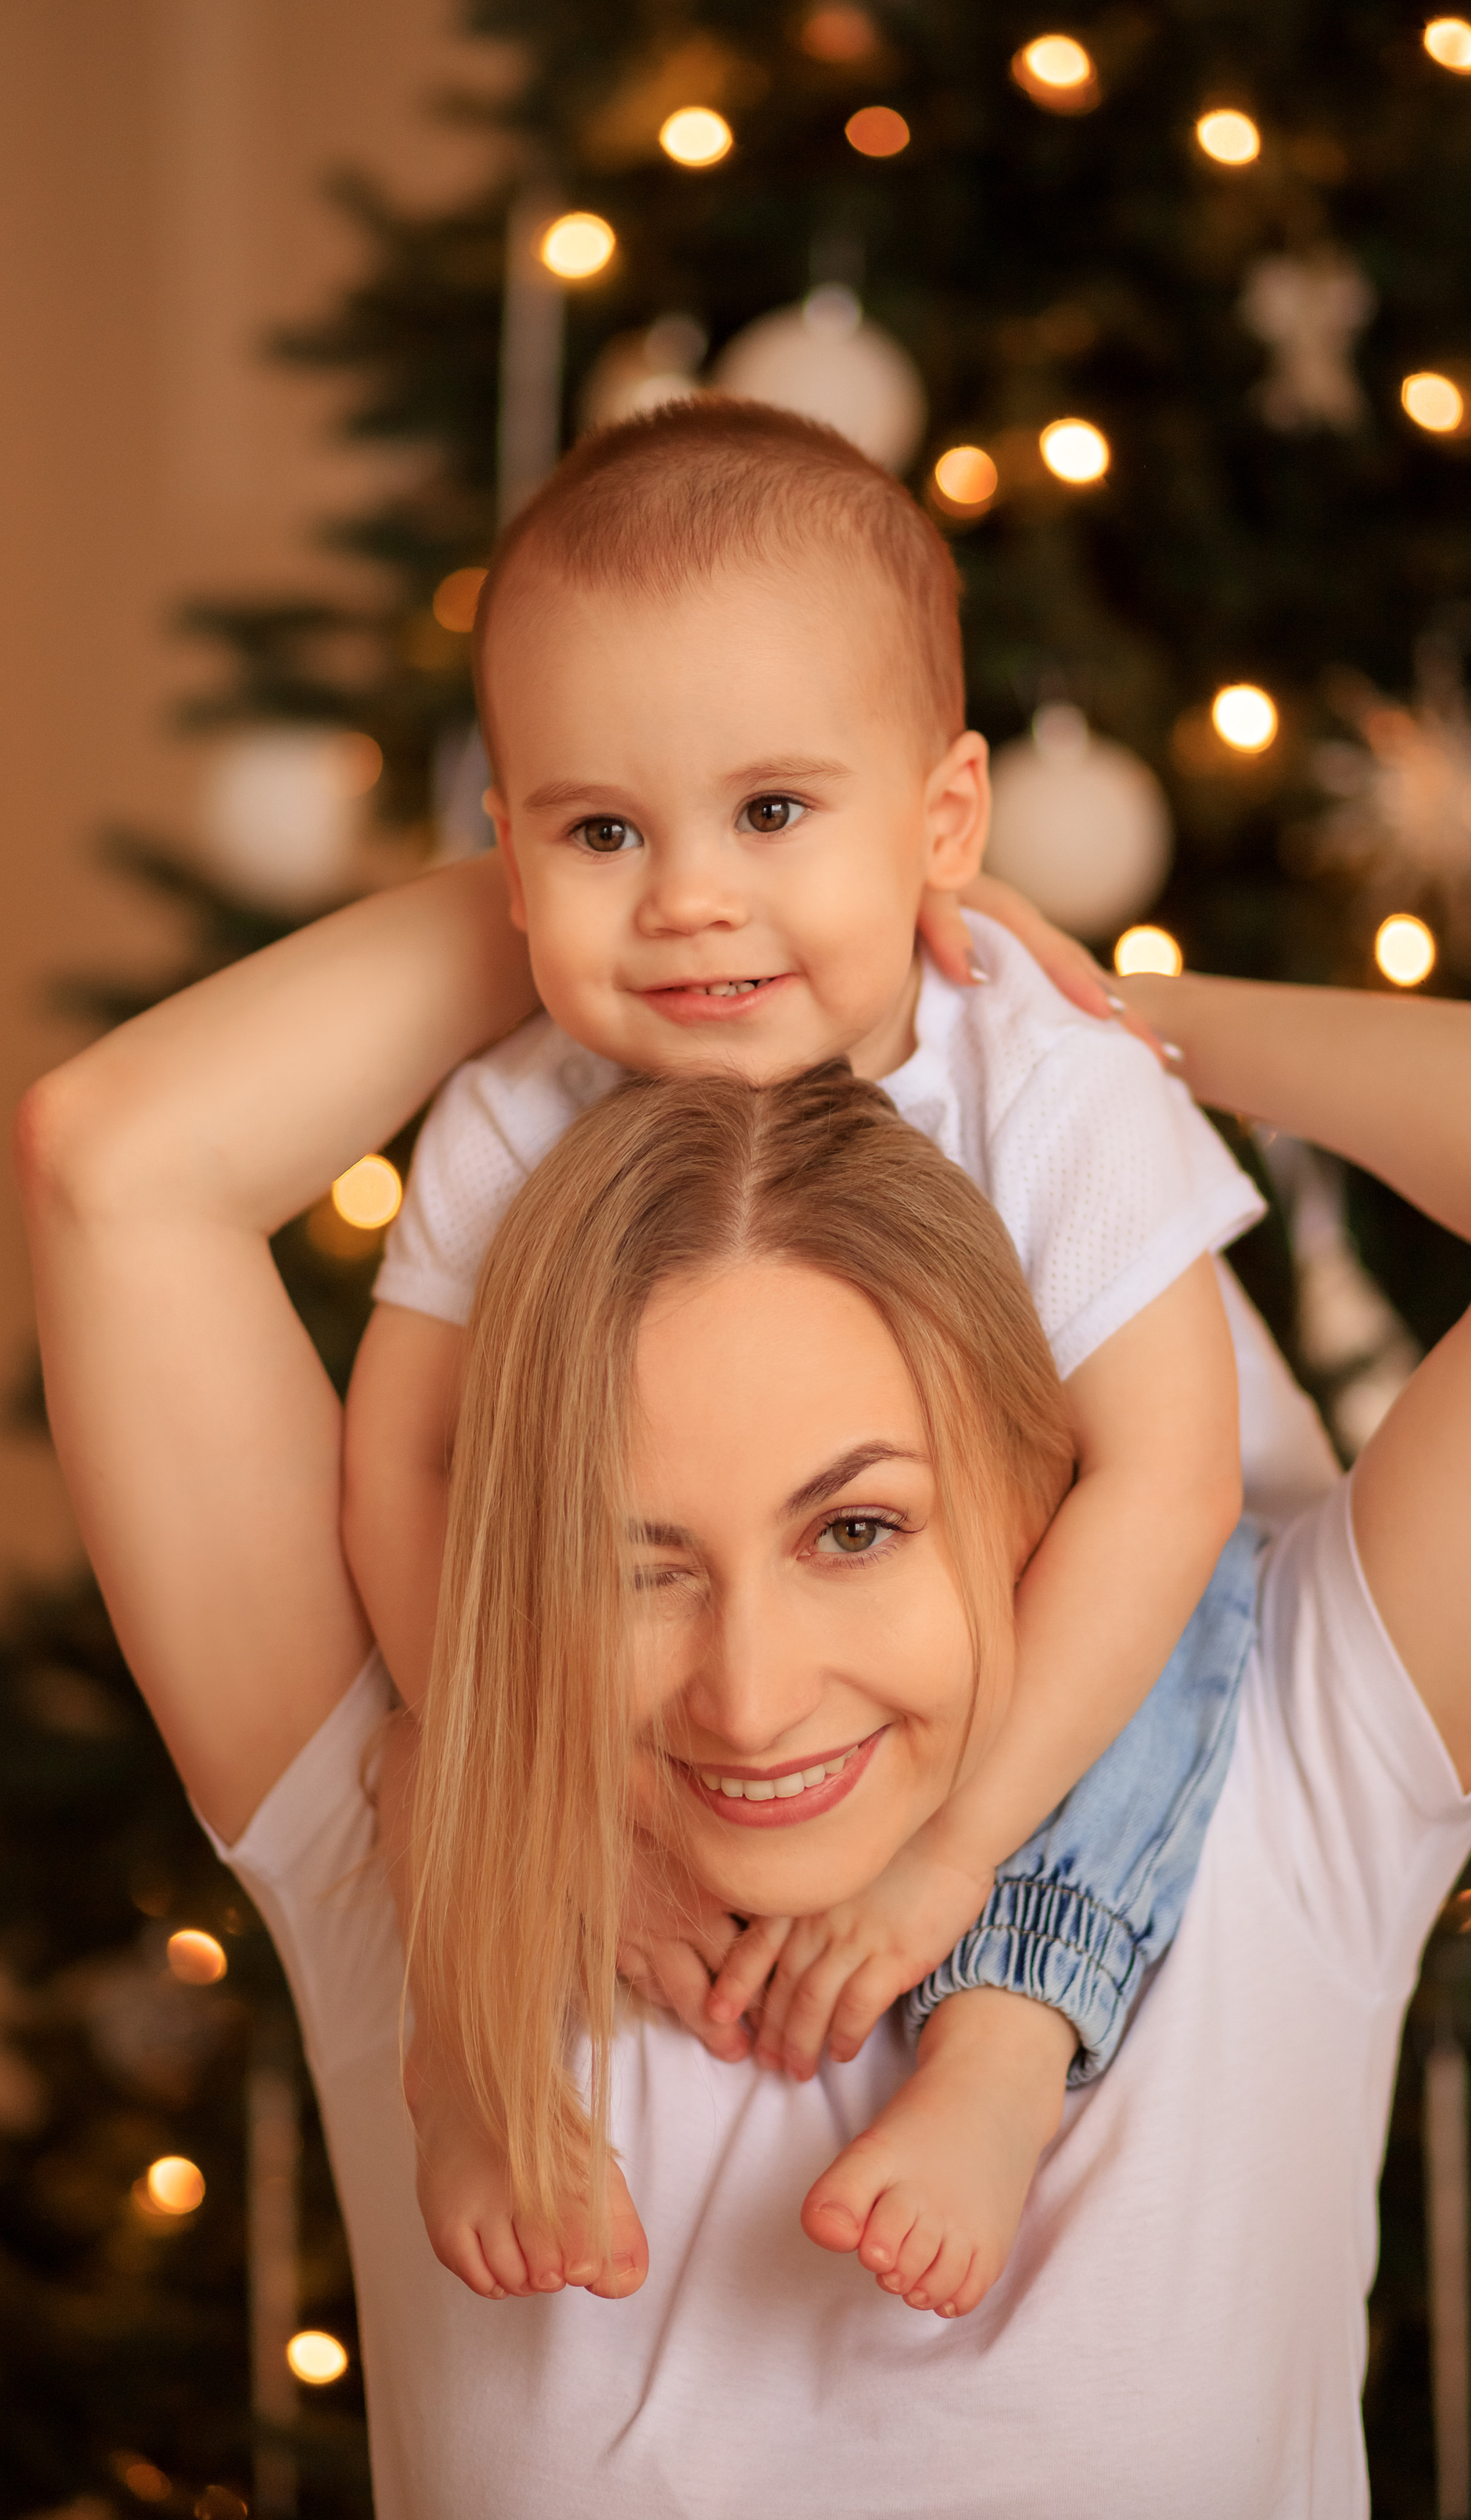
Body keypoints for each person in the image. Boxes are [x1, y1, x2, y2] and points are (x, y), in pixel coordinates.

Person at [21, 860, 1471, 2517]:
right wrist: (665, 878)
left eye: (858, 1528)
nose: (747, 1699)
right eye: (631, 1562)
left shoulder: (1265, 1753)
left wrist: (1072, 1010)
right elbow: (109, 1161)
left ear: (1039, 1497)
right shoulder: (436, 1827)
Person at [342, 398, 1325, 2306]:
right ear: (512, 858)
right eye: (605, 830)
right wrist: (542, 1797)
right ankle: (471, 2051)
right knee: (418, 1734)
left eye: (775, 813)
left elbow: (1173, 1477)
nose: (691, 898)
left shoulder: (1039, 1081)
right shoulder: (515, 1110)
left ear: (944, 822)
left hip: (1090, 1615)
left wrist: (947, 1857)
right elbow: (406, 1471)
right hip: (728, 1654)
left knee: (1187, 1595)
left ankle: (1008, 2042)